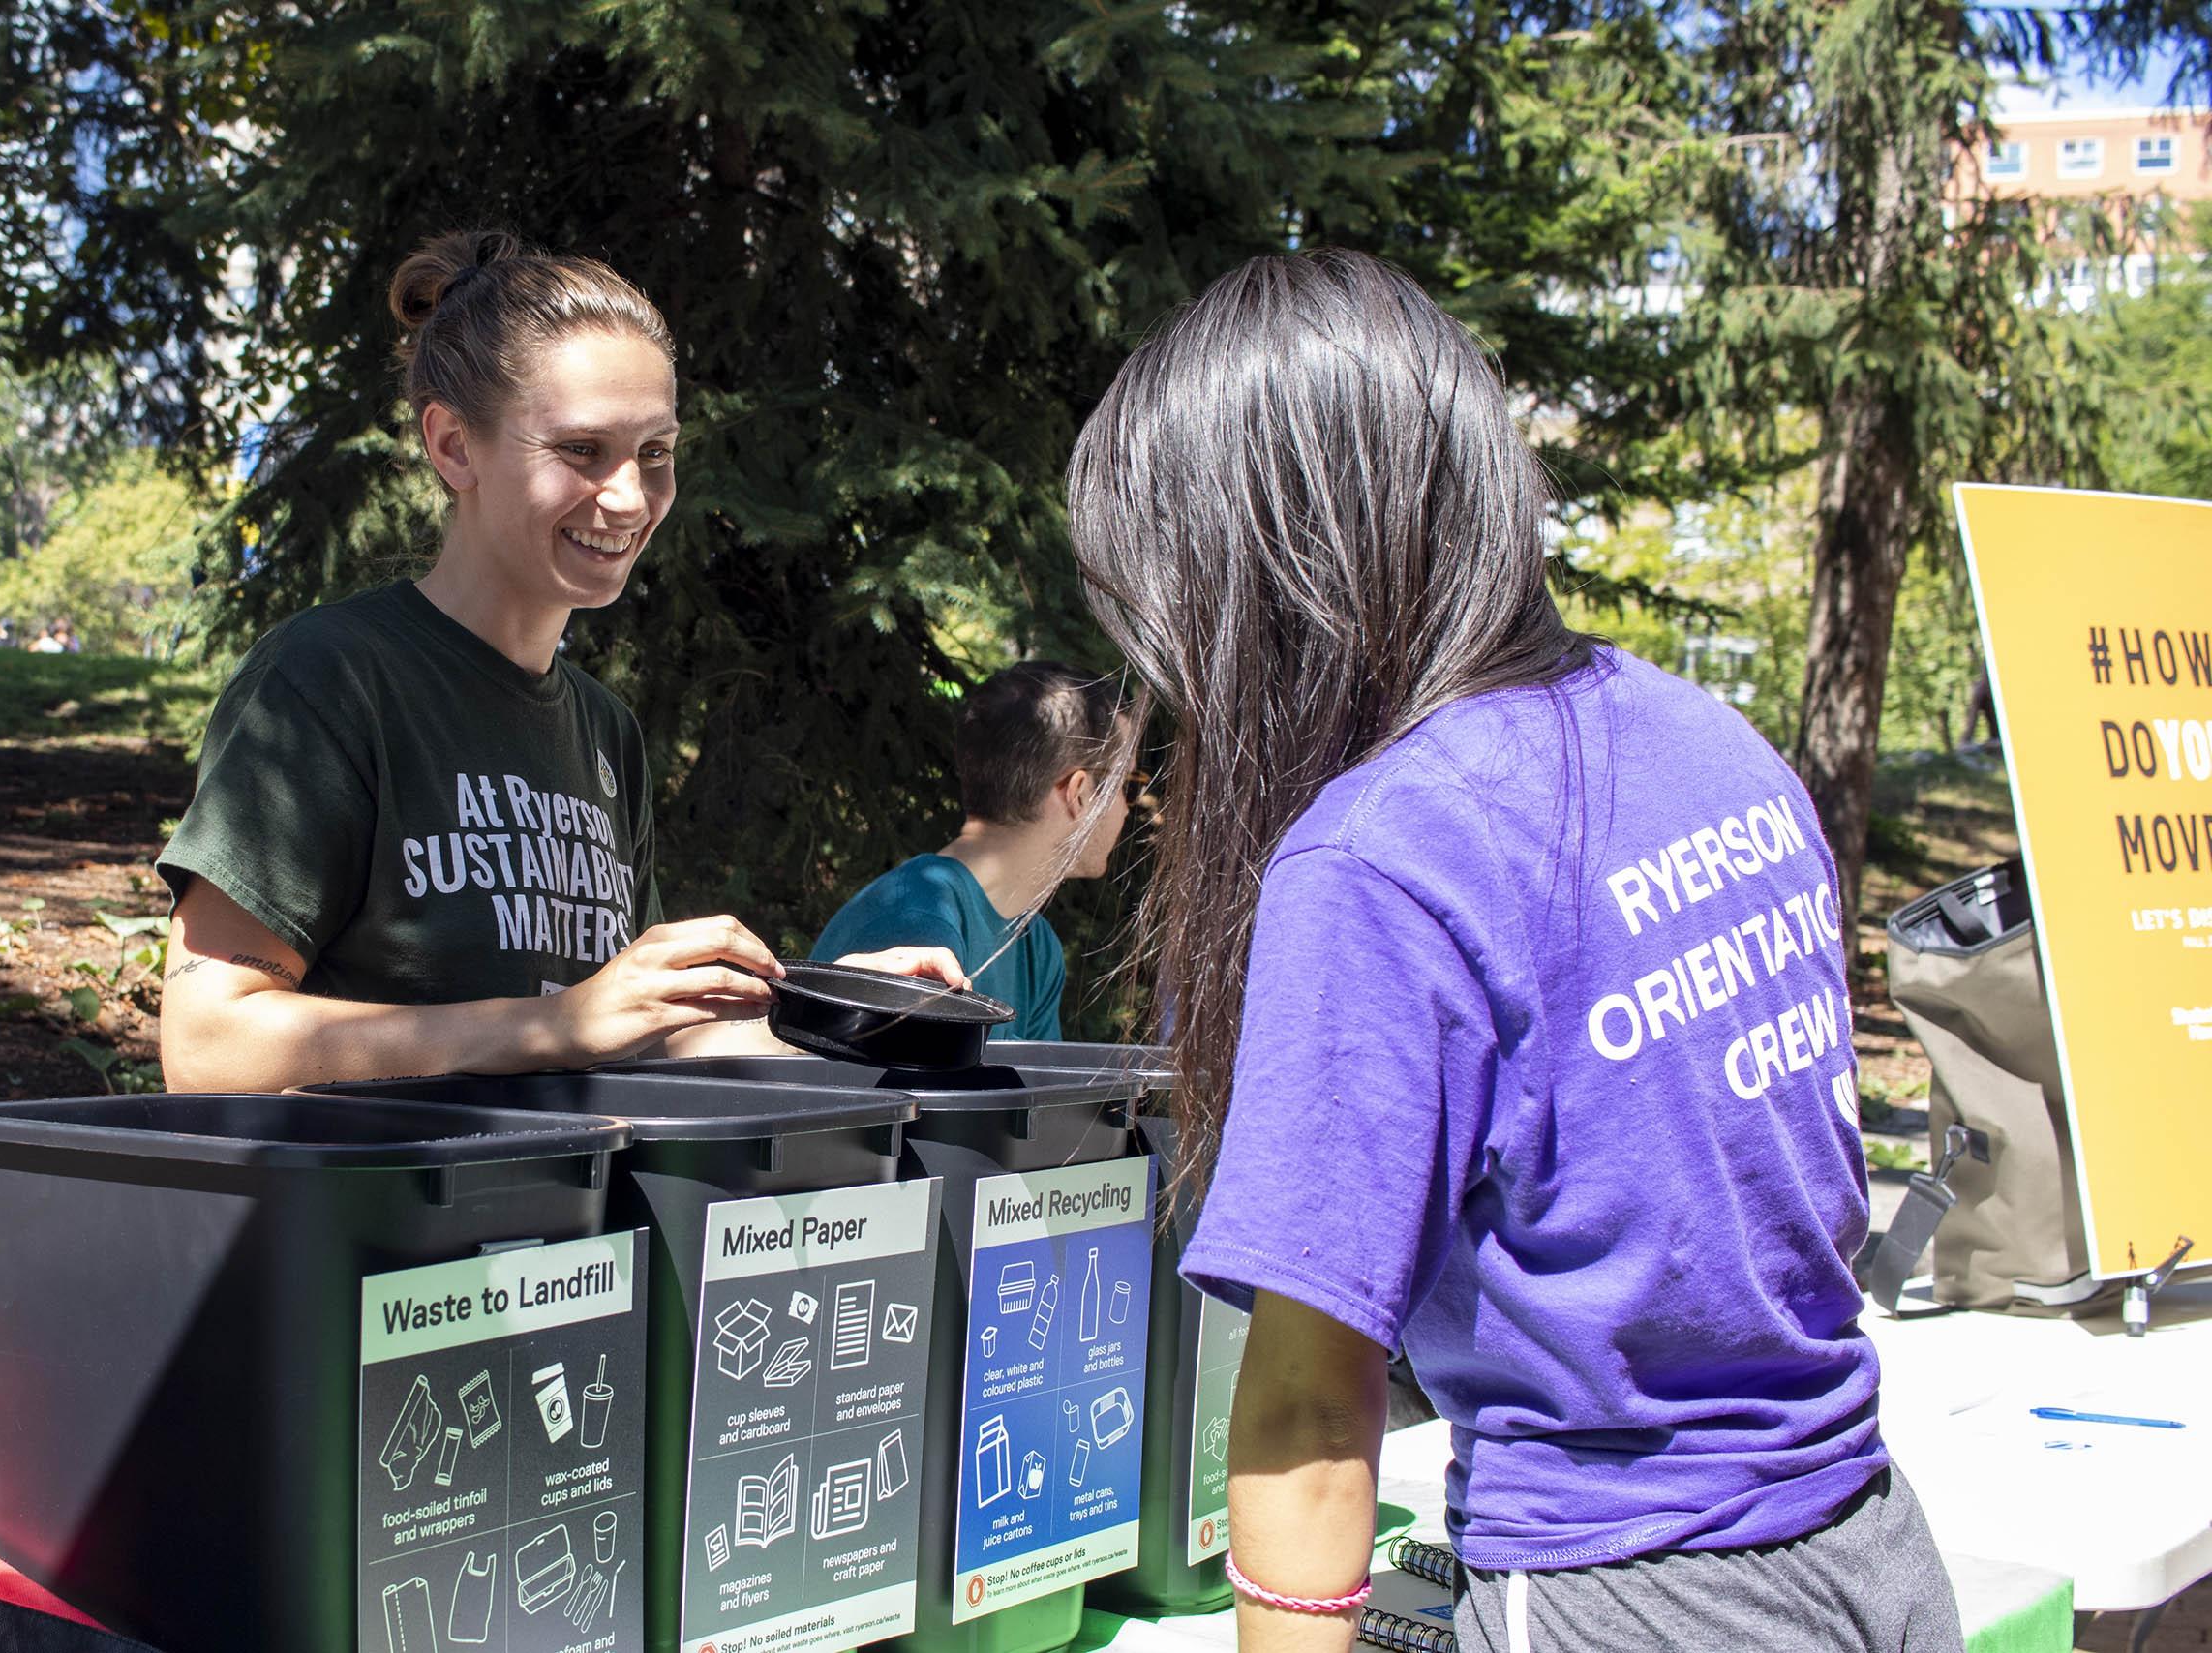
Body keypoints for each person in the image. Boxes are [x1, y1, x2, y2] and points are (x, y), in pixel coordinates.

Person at [1064, 250, 1962, 1652]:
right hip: (1871, 1549)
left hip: (1637, 1595)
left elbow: (1309, 1414)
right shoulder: (1709, 743)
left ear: (1266, 572)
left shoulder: (1383, 856)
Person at [155, 230, 959, 1092]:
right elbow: (209, 1046)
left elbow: (639, 1035)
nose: (628, 497)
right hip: (376, 1219)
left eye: (656, 453)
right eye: (582, 450)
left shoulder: (605, 732)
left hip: (570, 1224)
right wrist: (558, 1024)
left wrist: (834, 1008)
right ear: (453, 446)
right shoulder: (331, 679)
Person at [809, 662, 1136, 1038]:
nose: (1128, 807)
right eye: (1125, 783)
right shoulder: (917, 922)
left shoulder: (1037, 945)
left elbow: (1031, 1097)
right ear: (1078, 793)